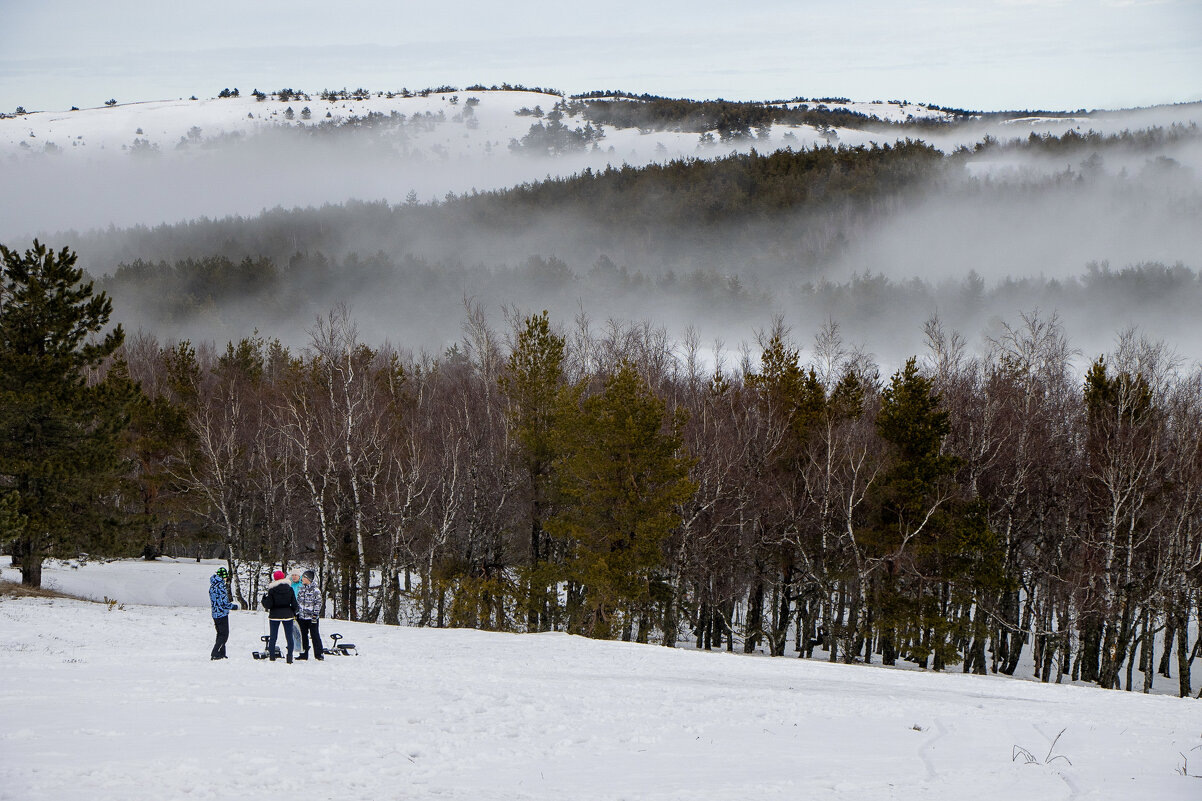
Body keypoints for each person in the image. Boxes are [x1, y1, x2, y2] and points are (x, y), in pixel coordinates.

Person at [261, 569, 298, 663]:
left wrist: (264, 600)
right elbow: (294, 604)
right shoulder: (290, 589)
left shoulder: (272, 590)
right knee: (289, 636)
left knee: (273, 637)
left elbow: (268, 605)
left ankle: (272, 657)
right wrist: (294, 612)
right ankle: (289, 657)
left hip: (275, 615)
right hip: (288, 614)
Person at [208, 566, 238, 660]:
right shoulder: (221, 586)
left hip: (215, 613)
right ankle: (215, 652)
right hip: (222, 614)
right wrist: (233, 606)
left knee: (220, 633)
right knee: (224, 634)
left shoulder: (212, 586)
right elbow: (224, 603)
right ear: (223, 577)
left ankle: (221, 653)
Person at [295, 570, 325, 661]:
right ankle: (303, 654)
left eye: (304, 577)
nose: (302, 579)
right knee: (303, 635)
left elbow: (318, 604)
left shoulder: (315, 590)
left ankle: (319, 654)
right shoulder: (301, 589)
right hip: (302, 617)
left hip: (312, 617)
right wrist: (297, 613)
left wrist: (315, 615)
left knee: (315, 635)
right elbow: (298, 602)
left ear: (309, 579)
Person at [288, 569, 304, 646]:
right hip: (291, 609)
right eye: (293, 575)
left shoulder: (302, 585)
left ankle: (301, 645)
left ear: (299, 576)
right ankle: (293, 645)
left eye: (296, 575)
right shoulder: (289, 584)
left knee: (300, 628)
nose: (294, 577)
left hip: (300, 609)